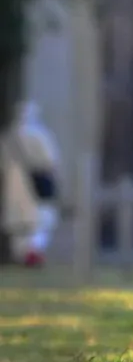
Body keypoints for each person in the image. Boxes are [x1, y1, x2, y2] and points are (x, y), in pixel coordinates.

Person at [1, 101, 61, 266]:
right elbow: (50, 160)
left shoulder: (8, 136)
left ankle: (22, 256)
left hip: (14, 184)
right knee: (42, 220)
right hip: (36, 182)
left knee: (19, 226)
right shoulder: (40, 135)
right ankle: (33, 253)